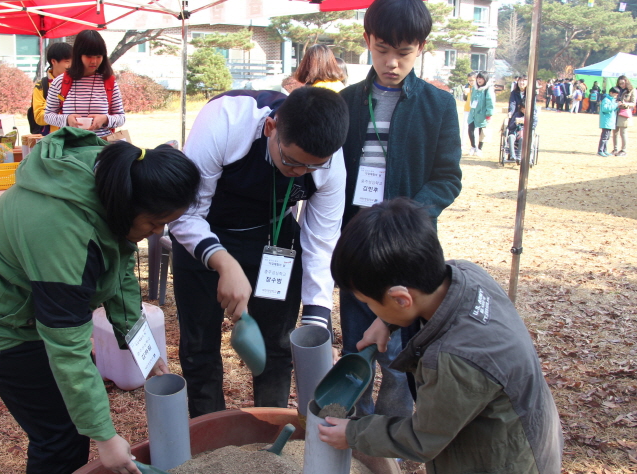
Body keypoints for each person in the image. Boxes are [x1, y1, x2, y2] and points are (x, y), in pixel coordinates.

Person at [0, 132, 201, 474]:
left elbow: (120, 270)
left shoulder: (119, 180)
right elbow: (68, 348)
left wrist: (140, 346)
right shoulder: (64, 234)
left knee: (68, 424)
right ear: (127, 207)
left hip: (33, 309)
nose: (158, 233)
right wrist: (105, 436)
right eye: (154, 223)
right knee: (59, 435)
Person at [318, 198, 563, 474]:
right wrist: (386, 320)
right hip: (526, 428)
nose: (367, 309)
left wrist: (354, 433)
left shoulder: (454, 360)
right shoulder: (465, 273)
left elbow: (423, 438)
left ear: (401, 299)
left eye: (368, 302)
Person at [169, 86, 349, 418]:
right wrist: (223, 263)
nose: (299, 173)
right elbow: (186, 213)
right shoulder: (224, 120)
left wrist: (316, 319)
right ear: (271, 128)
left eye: (311, 168)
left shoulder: (330, 161)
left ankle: (269, 428)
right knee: (199, 348)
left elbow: (321, 243)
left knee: (277, 345)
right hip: (205, 234)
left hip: (275, 239)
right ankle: (210, 435)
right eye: (291, 162)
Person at [337, 0, 462, 417]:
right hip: (356, 245)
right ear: (367, 41)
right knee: (356, 344)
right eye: (382, 49)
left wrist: (409, 219)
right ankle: (356, 432)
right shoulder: (347, 102)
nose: (392, 63)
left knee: (399, 353)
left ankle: (391, 434)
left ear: (421, 47)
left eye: (404, 52)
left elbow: (447, 178)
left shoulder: (438, 105)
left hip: (406, 250)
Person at [44, 30, 125, 137]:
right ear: (78, 55)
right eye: (89, 56)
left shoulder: (109, 82)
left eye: (98, 56)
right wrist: (67, 119)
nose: (94, 61)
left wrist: (104, 119)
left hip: (101, 146)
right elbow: (48, 115)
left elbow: (121, 117)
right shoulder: (60, 81)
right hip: (71, 146)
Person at [29, 42, 72, 135]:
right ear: (53, 61)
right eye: (67, 61)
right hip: (53, 139)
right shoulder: (41, 86)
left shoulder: (78, 83)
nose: (71, 65)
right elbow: (39, 117)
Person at [467, 71, 494, 157]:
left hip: (482, 113)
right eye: (478, 78)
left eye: (481, 78)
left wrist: (489, 114)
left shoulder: (488, 89)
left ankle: (479, 148)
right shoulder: (474, 88)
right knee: (470, 128)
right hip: (473, 112)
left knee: (482, 132)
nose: (479, 80)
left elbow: (490, 102)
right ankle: (473, 146)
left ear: (485, 79)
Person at [612, 75, 635, 156]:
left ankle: (623, 150)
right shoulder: (616, 89)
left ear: (626, 82)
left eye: (623, 83)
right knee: (614, 132)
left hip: (624, 112)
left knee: (623, 132)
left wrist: (625, 104)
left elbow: (633, 103)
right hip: (615, 112)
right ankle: (615, 149)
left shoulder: (632, 90)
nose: (621, 85)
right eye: (620, 83)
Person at [597, 87, 620, 157]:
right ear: (611, 93)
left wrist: (618, 106)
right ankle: (600, 150)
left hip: (610, 121)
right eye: (615, 94)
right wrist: (616, 105)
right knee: (604, 137)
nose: (616, 96)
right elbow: (605, 109)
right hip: (606, 121)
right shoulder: (606, 100)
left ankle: (605, 150)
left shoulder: (612, 100)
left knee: (607, 137)